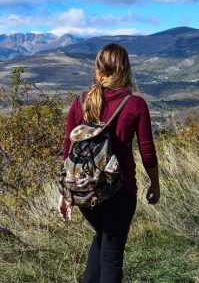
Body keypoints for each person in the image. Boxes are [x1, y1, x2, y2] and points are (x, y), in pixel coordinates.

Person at [59, 43, 160, 283]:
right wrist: (155, 184)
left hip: (84, 190)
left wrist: (65, 192)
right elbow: (147, 151)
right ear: (125, 68)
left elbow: (68, 149)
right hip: (120, 189)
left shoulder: (80, 101)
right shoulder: (135, 104)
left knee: (103, 241)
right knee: (112, 257)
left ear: (98, 68)